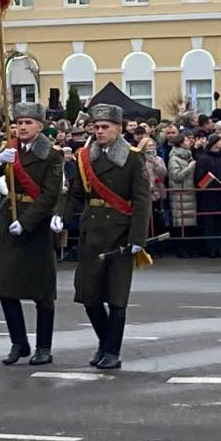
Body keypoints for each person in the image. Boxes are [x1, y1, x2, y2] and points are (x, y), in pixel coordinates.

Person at [65, 103, 151, 370]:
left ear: (118, 129)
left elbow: (141, 200)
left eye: (105, 127)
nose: (99, 131)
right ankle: (105, 342)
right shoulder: (84, 157)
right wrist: (62, 216)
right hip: (92, 232)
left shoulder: (133, 158)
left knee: (115, 297)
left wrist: (138, 237)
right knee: (89, 295)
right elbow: (77, 193)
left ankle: (112, 351)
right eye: (96, 127)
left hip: (120, 233)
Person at [0, 101, 63, 366]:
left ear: (40, 125)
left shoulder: (51, 156)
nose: (22, 127)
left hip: (34, 225)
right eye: (19, 123)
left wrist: (27, 222)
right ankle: (18, 342)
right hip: (8, 218)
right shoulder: (10, 149)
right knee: (5, 286)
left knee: (42, 291)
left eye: (28, 123)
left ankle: (44, 347)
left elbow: (50, 195)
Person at [165, 132, 196, 258]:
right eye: (187, 141)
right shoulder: (174, 159)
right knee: (181, 224)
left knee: (189, 225)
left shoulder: (189, 156)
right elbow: (176, 176)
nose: (189, 142)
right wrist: (190, 167)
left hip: (190, 193)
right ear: (181, 144)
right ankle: (181, 250)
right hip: (179, 194)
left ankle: (190, 248)